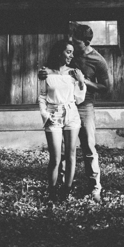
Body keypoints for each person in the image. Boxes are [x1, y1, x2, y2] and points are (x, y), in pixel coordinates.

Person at [38, 39, 86, 202]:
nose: (71, 55)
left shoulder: (74, 73)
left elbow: (79, 99)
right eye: (68, 52)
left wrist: (81, 81)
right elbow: (42, 96)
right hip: (53, 115)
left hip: (71, 114)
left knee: (71, 155)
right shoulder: (45, 72)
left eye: (72, 52)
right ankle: (51, 192)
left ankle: (66, 191)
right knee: (55, 157)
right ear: (59, 52)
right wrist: (45, 115)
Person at [70, 24, 109, 203]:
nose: (72, 44)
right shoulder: (69, 53)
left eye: (76, 42)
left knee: (88, 148)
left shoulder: (98, 60)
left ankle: (95, 188)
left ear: (86, 42)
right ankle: (63, 186)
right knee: (64, 149)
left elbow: (106, 87)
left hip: (85, 106)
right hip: (66, 106)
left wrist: (84, 81)